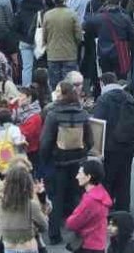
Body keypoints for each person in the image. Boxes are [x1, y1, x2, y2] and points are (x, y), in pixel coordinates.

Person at [40, 80, 91, 243]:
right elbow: (90, 140)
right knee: (77, 196)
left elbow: (46, 141)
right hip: (78, 162)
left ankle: (55, 234)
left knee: (56, 198)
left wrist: (46, 159)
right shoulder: (83, 114)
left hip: (58, 162)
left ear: (62, 95)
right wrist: (83, 153)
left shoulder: (53, 115)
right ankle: (80, 230)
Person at [90, 73, 134, 214]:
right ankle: (124, 208)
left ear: (102, 84)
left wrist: (96, 150)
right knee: (125, 177)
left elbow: (97, 123)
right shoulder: (129, 97)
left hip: (110, 145)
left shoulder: (104, 99)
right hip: (128, 144)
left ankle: (107, 207)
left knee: (108, 178)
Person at [0, 161, 48, 253]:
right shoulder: (31, 204)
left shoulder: (2, 203)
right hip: (27, 245)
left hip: (8, 246)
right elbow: (44, 226)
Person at [65, 159, 111, 253]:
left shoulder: (90, 200)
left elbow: (72, 223)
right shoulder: (102, 194)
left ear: (88, 177)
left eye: (80, 173)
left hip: (87, 245)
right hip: (98, 243)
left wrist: (69, 220)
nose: (77, 176)